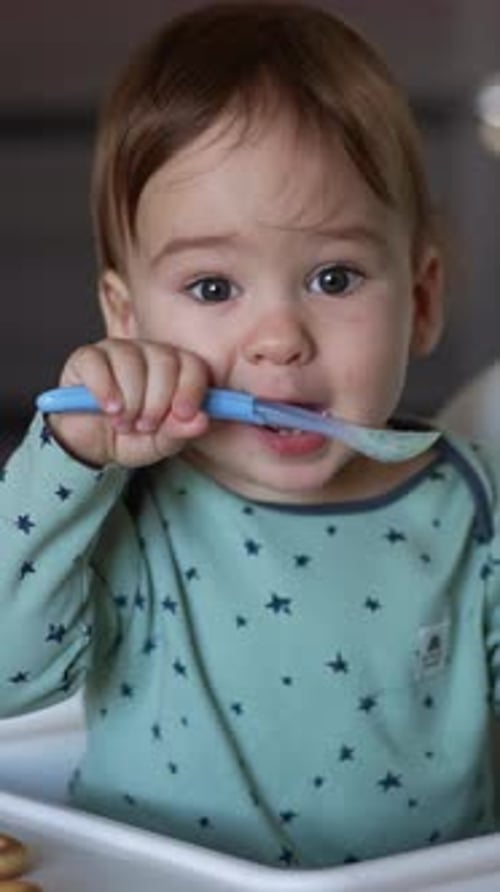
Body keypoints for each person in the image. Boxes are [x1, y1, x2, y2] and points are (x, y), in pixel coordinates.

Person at [0, 0, 499, 871]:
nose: (279, 338)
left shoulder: (476, 505)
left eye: (334, 277)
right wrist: (68, 462)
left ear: (420, 302)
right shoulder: (117, 508)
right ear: (126, 318)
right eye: (212, 289)